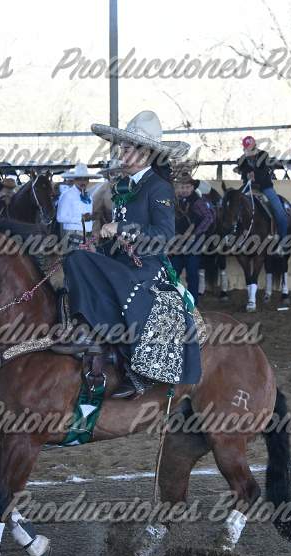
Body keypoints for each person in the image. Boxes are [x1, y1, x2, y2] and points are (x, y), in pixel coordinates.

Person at [63, 110, 201, 399]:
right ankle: (89, 333)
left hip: (148, 266)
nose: (121, 154)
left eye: (126, 149)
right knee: (76, 258)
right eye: (121, 149)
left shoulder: (158, 187)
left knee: (91, 269)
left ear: (145, 154)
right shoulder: (125, 186)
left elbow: (164, 235)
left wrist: (122, 227)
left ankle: (131, 365)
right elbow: (119, 239)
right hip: (122, 262)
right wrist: (98, 246)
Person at [171, 170, 215, 306]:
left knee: (191, 273)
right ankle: (172, 301)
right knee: (173, 271)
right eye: (182, 187)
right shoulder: (176, 201)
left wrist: (196, 233)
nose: (184, 190)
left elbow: (209, 218)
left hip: (193, 242)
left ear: (192, 187)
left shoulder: (198, 202)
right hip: (178, 242)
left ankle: (193, 303)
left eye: (187, 187)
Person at [235, 136, 289, 241]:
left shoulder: (264, 155)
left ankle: (283, 239)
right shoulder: (242, 159)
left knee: (280, 212)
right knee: (235, 205)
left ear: (255, 146)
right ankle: (235, 235)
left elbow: (264, 171)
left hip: (265, 187)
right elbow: (243, 172)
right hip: (249, 186)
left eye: (252, 148)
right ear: (244, 149)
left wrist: (252, 175)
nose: (250, 151)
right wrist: (246, 174)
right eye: (248, 149)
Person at [57, 163, 101, 247]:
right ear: (74, 180)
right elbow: (60, 217)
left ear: (88, 181)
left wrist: (92, 217)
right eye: (79, 179)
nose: (83, 182)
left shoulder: (89, 196)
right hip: (73, 235)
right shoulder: (67, 195)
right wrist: (81, 218)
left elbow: (88, 217)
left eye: (85, 179)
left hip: (88, 235)